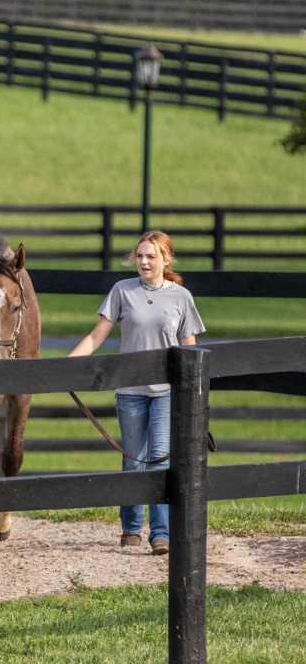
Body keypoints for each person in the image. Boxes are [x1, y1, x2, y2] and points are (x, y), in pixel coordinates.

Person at [68, 231, 204, 556]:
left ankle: (161, 533)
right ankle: (131, 527)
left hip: (166, 392)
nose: (144, 261)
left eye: (151, 256)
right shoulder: (122, 292)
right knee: (134, 460)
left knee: (160, 460)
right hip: (130, 391)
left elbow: (191, 351)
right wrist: (68, 365)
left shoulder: (181, 298)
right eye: (140, 256)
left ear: (165, 260)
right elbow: (96, 335)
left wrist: (195, 393)